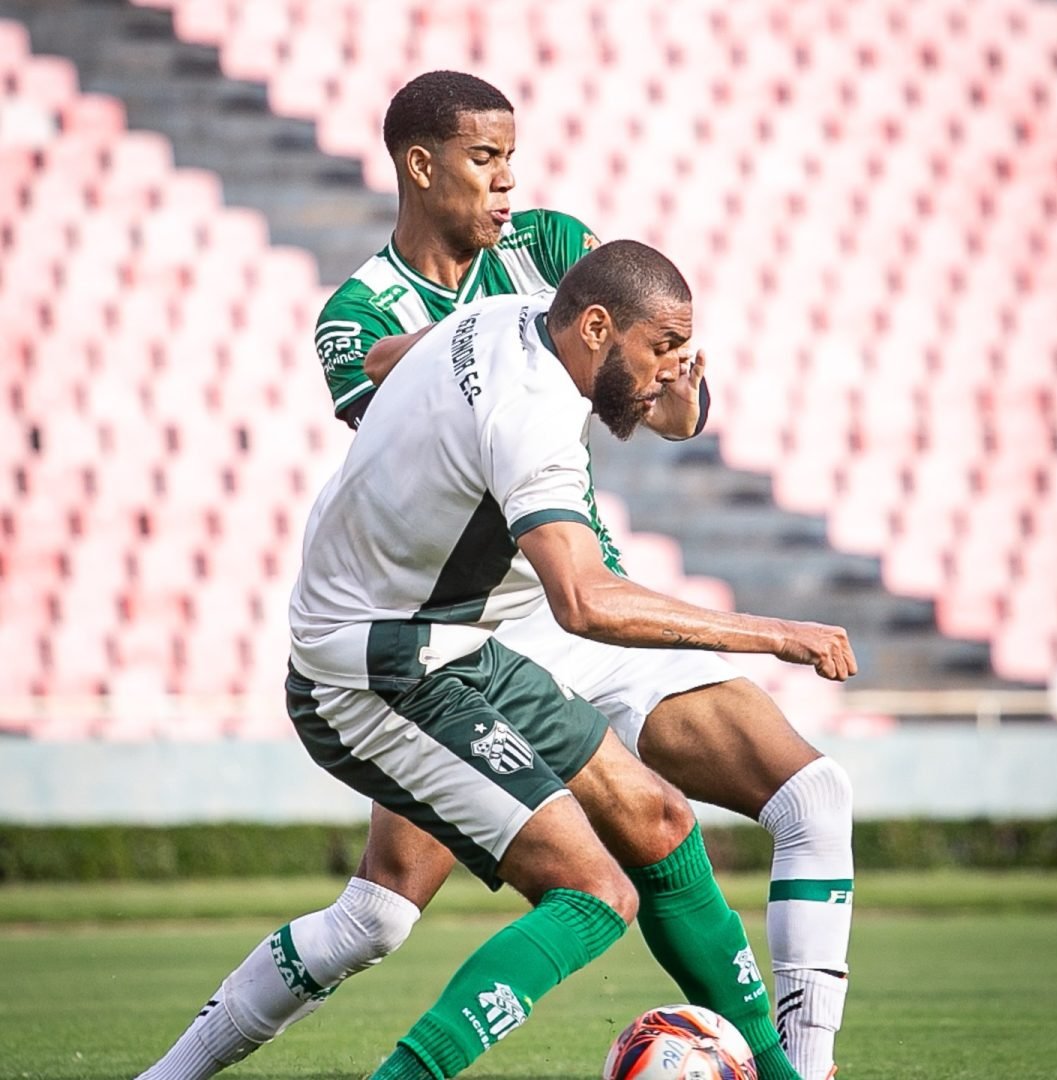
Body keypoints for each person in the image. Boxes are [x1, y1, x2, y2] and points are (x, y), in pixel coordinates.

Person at [136, 73, 854, 1080]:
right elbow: (404, 402)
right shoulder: (359, 315)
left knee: (758, 805)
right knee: (386, 912)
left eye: (513, 159)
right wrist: (776, 631)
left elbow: (651, 402)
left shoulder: (553, 256)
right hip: (456, 626)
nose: (509, 182)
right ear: (421, 166)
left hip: (549, 609)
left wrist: (672, 386)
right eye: (486, 160)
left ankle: (800, 1076)